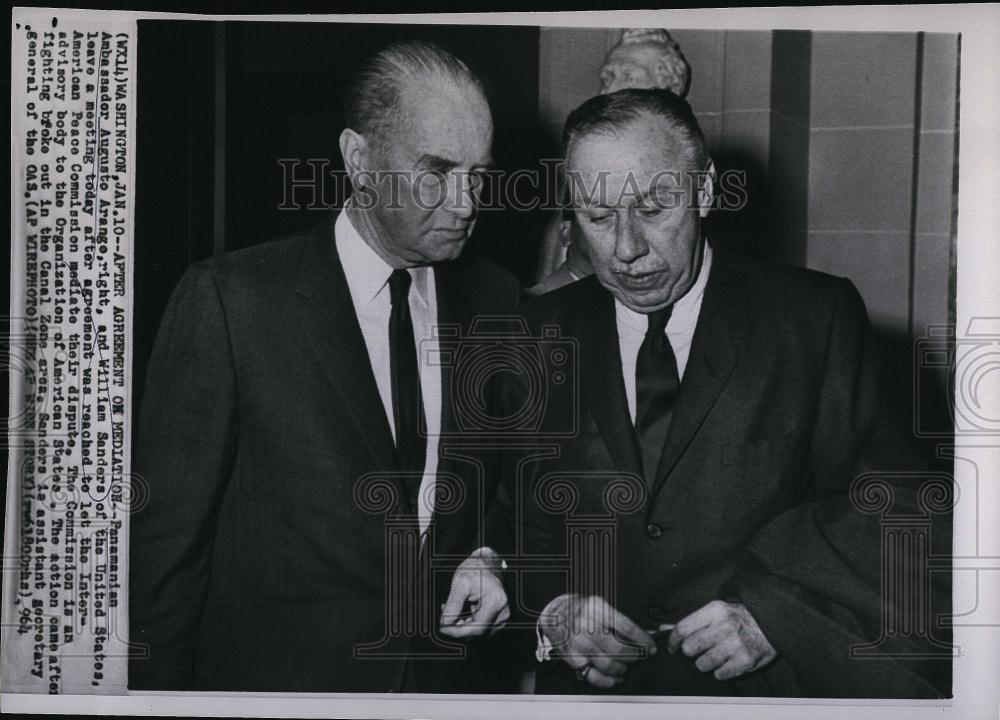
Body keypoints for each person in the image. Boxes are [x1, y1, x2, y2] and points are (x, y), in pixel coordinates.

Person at [496, 88, 950, 697]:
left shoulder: (814, 319)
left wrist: (776, 617)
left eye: (654, 208)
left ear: (704, 190)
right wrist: (554, 613)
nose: (627, 249)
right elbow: (506, 525)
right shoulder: (531, 336)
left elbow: (901, 508)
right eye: (598, 218)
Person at [129, 40, 519, 693]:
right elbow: (162, 557)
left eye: (479, 174)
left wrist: (489, 555)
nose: (466, 201)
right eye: (438, 169)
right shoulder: (232, 302)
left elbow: (509, 478)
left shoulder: (495, 299)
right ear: (358, 158)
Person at [527, 28, 691, 297]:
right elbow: (556, 254)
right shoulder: (584, 161)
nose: (611, 88)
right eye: (607, 77)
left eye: (629, 76)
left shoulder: (686, 168)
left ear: (667, 89)